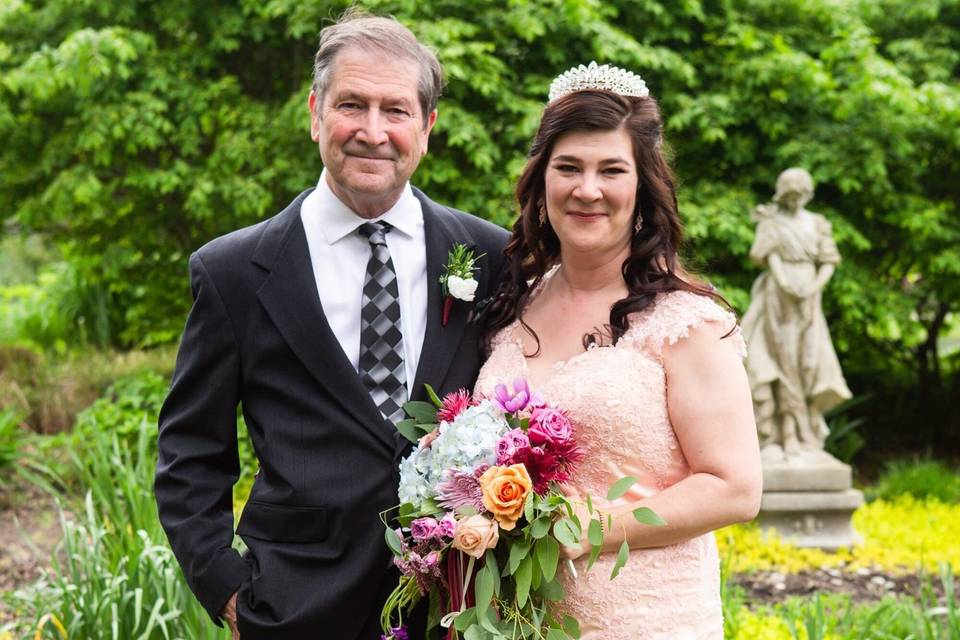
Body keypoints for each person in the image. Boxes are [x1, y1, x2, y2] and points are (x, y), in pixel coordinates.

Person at [154, 11, 508, 640]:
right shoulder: (234, 272)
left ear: (426, 127)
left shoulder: (492, 256)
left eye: (395, 110)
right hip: (294, 608)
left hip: (453, 605)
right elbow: (191, 455)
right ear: (315, 112)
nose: (373, 132)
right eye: (352, 105)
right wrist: (229, 591)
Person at [477, 63, 763, 639]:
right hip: (515, 622)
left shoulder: (686, 320)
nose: (588, 189)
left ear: (642, 185)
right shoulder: (513, 303)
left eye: (611, 169)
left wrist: (583, 529)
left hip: (644, 617)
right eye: (568, 168)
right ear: (541, 180)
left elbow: (734, 487)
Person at [740, 168, 852, 460]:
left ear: (807, 194)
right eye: (789, 196)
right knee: (783, 360)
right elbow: (769, 255)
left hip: (809, 296)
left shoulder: (817, 223)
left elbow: (828, 260)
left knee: (808, 362)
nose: (794, 201)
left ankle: (808, 431)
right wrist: (785, 282)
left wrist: (813, 286)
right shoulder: (773, 223)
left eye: (799, 195)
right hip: (780, 295)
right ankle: (786, 432)